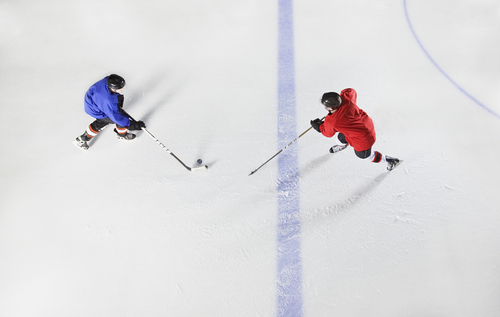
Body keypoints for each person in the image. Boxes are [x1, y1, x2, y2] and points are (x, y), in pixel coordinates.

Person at [310, 88, 402, 171]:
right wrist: (339, 97)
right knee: (339, 139)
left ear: (330, 108)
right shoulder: (346, 99)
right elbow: (350, 91)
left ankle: (390, 160)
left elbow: (327, 133)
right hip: (363, 124)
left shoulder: (332, 121)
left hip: (363, 138)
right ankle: (342, 145)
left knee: (365, 156)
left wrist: (319, 127)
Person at [73, 74, 145, 150]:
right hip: (95, 109)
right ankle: (82, 140)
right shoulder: (108, 100)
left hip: (94, 99)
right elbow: (116, 118)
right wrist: (130, 124)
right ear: (112, 88)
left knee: (119, 110)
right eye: (119, 89)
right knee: (112, 120)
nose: (122, 90)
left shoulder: (108, 80)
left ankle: (121, 132)